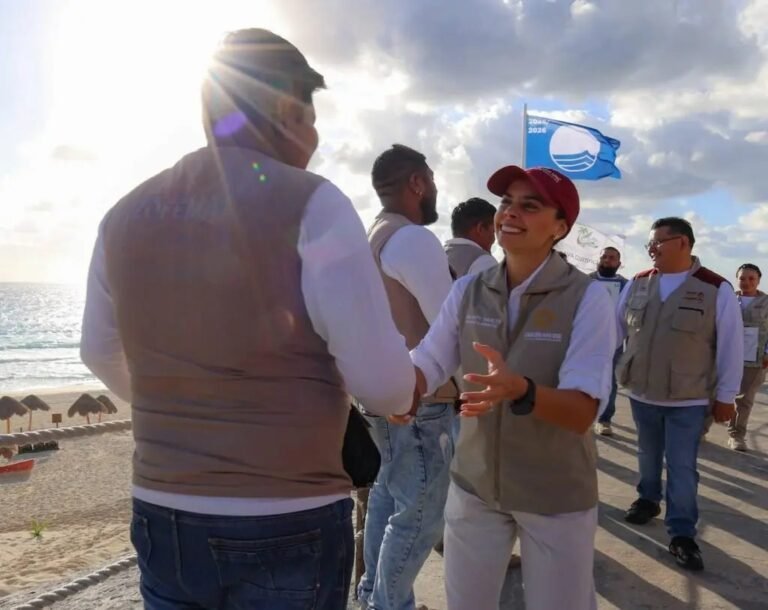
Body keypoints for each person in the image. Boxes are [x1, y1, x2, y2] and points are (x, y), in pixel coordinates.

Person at [80, 29, 417, 610]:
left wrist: (190, 404)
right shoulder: (314, 203)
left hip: (162, 506)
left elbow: (97, 350)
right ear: (288, 110)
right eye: (312, 120)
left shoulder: (124, 214)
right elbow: (383, 384)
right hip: (286, 514)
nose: (315, 139)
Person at [411, 165, 616, 610]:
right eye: (506, 202)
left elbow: (582, 411)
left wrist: (522, 389)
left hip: (554, 494)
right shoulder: (468, 289)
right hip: (476, 484)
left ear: (560, 227)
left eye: (530, 205)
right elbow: (426, 363)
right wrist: (386, 387)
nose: (510, 213)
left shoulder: (589, 299)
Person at [358, 144, 456, 610]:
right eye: (431, 178)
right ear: (416, 183)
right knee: (420, 513)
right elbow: (450, 323)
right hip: (422, 398)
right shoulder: (414, 239)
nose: (434, 187)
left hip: (382, 394)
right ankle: (389, 604)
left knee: (386, 497)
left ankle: (373, 595)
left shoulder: (374, 234)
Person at [617, 217, 743, 571]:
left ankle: (682, 532)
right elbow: (613, 333)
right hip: (643, 393)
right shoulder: (638, 285)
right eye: (650, 244)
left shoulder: (714, 288)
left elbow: (730, 347)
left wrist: (726, 396)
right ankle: (647, 499)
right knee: (646, 453)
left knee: (683, 465)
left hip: (689, 399)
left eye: (659, 242)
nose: (652, 249)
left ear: (684, 243)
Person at [589, 246, 629, 436]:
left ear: (619, 263)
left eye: (612, 258)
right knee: (585, 376)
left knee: (609, 381)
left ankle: (605, 419)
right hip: (587, 339)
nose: (607, 260)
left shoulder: (626, 285)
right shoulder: (586, 281)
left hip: (614, 340)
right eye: (604, 256)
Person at [729, 263, 768, 451]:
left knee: (744, 399)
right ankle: (701, 429)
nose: (746, 282)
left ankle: (737, 435)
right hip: (727, 355)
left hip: (756, 358)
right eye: (742, 278)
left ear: (759, 280)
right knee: (714, 393)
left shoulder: (766, 303)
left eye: (751, 278)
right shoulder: (728, 300)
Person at [444, 197, 498, 278]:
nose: (494, 239)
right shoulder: (485, 262)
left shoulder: (438, 256)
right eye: (493, 231)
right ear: (480, 228)